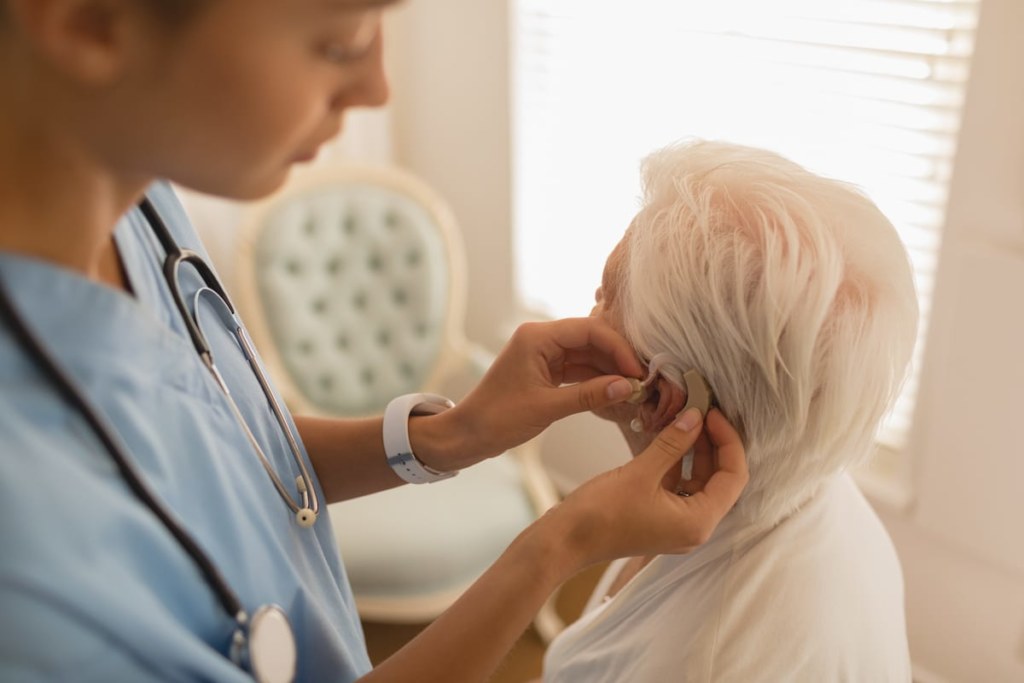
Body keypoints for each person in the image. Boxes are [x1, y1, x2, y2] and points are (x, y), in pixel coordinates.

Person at [0, 2, 749, 682]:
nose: (379, 88)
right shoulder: (27, 559)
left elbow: (217, 449)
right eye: (343, 38)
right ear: (87, 19)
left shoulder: (134, 192)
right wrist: (559, 542)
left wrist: (449, 435)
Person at [540, 140, 918, 681]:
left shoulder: (698, 663)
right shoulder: (812, 479)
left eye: (604, 297)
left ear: (664, 399)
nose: (589, 307)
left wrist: (560, 538)